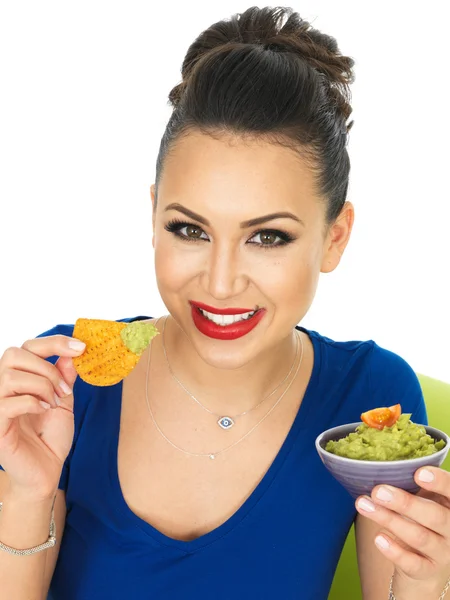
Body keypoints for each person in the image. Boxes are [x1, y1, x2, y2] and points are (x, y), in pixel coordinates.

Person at [0, 6, 449, 600]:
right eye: (190, 229)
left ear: (334, 237)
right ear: (154, 213)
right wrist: (25, 493)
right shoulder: (67, 377)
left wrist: (431, 580)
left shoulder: (368, 400)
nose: (219, 282)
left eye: (268, 237)